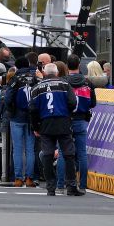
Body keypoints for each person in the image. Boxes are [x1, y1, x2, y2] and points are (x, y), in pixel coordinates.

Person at [30, 63, 82, 196]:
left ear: (44, 73)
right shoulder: (64, 85)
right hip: (63, 121)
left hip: (45, 123)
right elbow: (72, 103)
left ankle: (50, 187)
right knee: (69, 154)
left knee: (47, 154)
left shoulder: (37, 88)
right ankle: (71, 186)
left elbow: (33, 109)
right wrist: (67, 113)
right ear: (57, 72)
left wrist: (36, 127)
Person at [56, 54, 95, 192]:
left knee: (62, 152)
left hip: (66, 119)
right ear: (79, 65)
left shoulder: (63, 82)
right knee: (82, 153)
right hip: (81, 119)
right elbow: (93, 103)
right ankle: (83, 185)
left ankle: (60, 184)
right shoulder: (88, 82)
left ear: (67, 66)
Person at [2, 55, 38, 187]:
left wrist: (11, 110)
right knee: (30, 149)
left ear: (17, 66)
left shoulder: (15, 79)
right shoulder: (35, 79)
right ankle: (29, 178)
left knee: (17, 149)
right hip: (31, 118)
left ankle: (18, 178)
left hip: (17, 117)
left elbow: (7, 98)